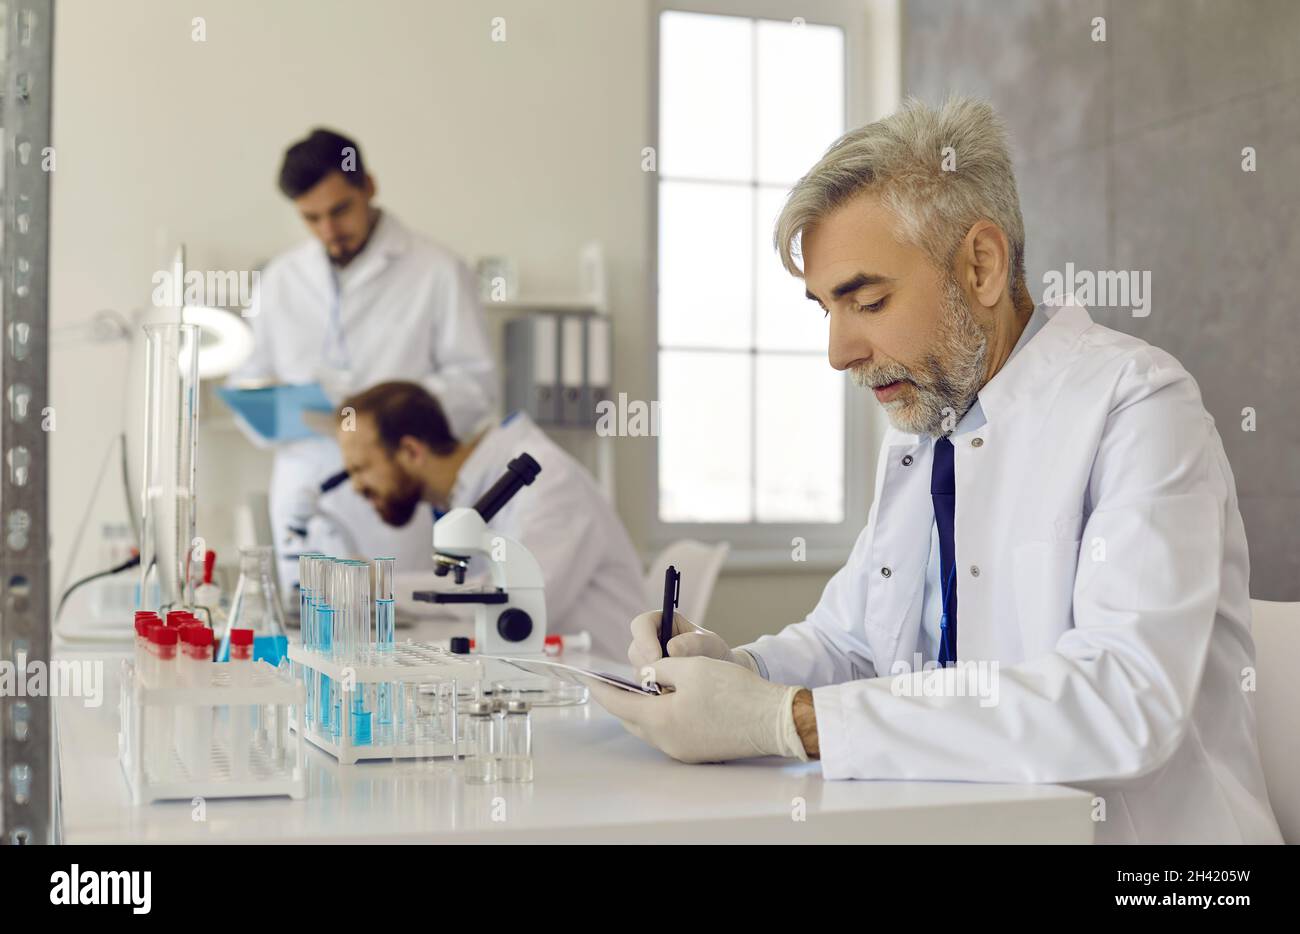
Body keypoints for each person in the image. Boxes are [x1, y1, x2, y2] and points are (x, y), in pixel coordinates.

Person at [593, 98, 1282, 845]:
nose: (839, 351)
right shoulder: (928, 426)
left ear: (981, 265)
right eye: (825, 309)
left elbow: (1125, 699)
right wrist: (734, 671)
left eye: (869, 300)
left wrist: (784, 720)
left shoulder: (1138, 407)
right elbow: (855, 644)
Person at [230, 128, 496, 586]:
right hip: (304, 489)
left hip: (394, 498)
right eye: (311, 218)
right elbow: (249, 379)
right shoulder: (281, 278)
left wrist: (386, 416)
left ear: (368, 186)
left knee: (404, 632)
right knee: (305, 632)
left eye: (339, 211)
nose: (328, 231)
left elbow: (477, 385)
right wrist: (268, 406)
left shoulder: (436, 270)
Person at [336, 381, 643, 660]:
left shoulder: (546, 476)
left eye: (360, 468)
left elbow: (519, 601)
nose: (355, 486)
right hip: (545, 671)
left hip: (605, 685)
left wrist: (382, 584)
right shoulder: (468, 492)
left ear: (411, 451)